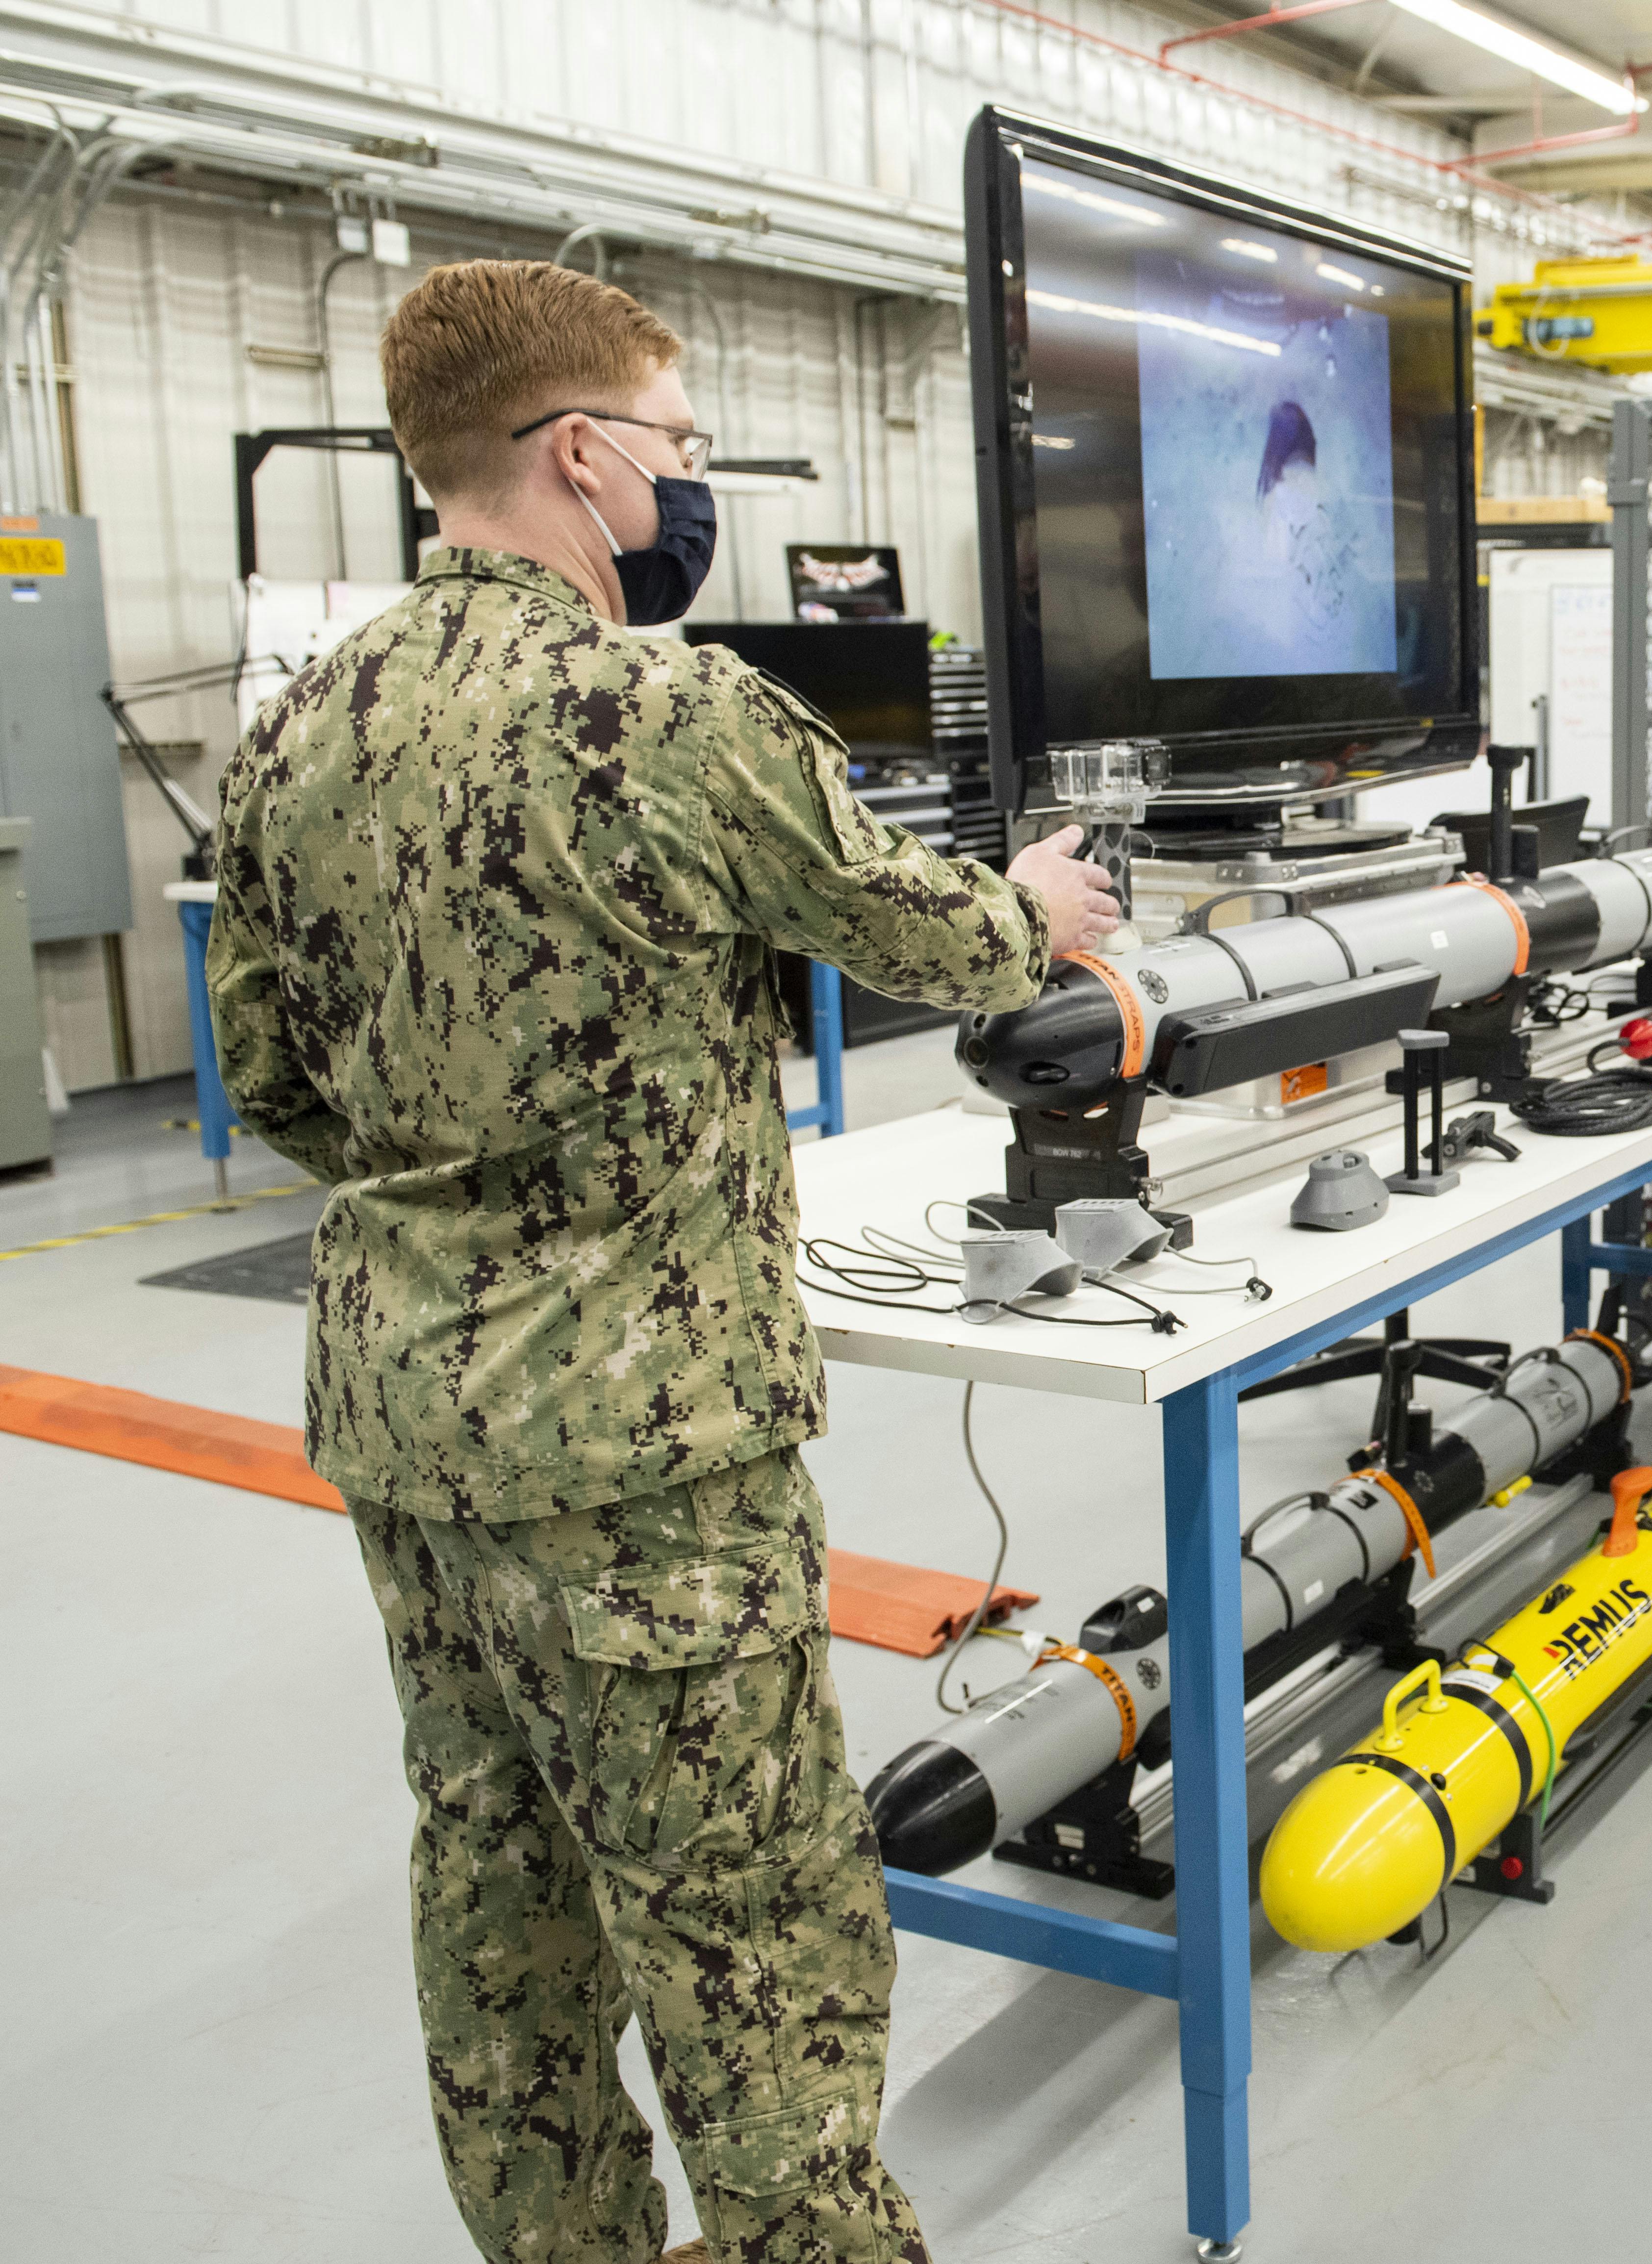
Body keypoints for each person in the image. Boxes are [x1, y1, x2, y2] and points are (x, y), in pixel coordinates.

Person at [206, 261, 1119, 2264]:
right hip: (647, 1458)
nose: (694, 487)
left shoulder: (300, 731)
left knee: (501, 1898)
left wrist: (474, 1184)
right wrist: (1038, 901)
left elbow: (274, 1074)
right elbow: (933, 942)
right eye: (683, 449)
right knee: (753, 1941)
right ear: (584, 454)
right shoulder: (669, 711)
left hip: (414, 1440)